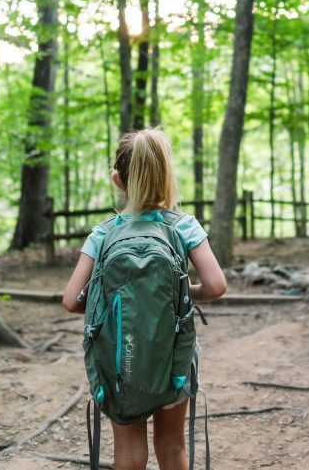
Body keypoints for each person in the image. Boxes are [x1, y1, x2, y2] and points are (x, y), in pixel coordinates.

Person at [62, 128, 227, 470]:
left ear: (118, 181)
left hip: (119, 357)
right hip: (173, 356)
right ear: (166, 177)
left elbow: (71, 301)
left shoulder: (104, 233)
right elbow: (215, 286)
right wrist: (186, 293)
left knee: (128, 446)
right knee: (172, 445)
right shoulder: (184, 226)